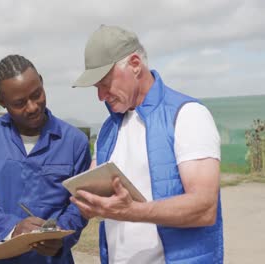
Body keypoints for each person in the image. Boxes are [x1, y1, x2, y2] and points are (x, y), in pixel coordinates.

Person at [71, 25, 223, 264]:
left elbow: (204, 207)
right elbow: (98, 192)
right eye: (96, 87)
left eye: (105, 83)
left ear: (134, 64)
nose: (100, 96)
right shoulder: (108, 129)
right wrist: (89, 204)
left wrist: (132, 212)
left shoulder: (188, 115)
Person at [0, 54, 91, 263]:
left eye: (36, 94)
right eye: (20, 103)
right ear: (2, 102)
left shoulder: (75, 142)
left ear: (41, 81)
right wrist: (12, 229)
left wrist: (61, 237)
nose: (32, 107)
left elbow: (81, 204)